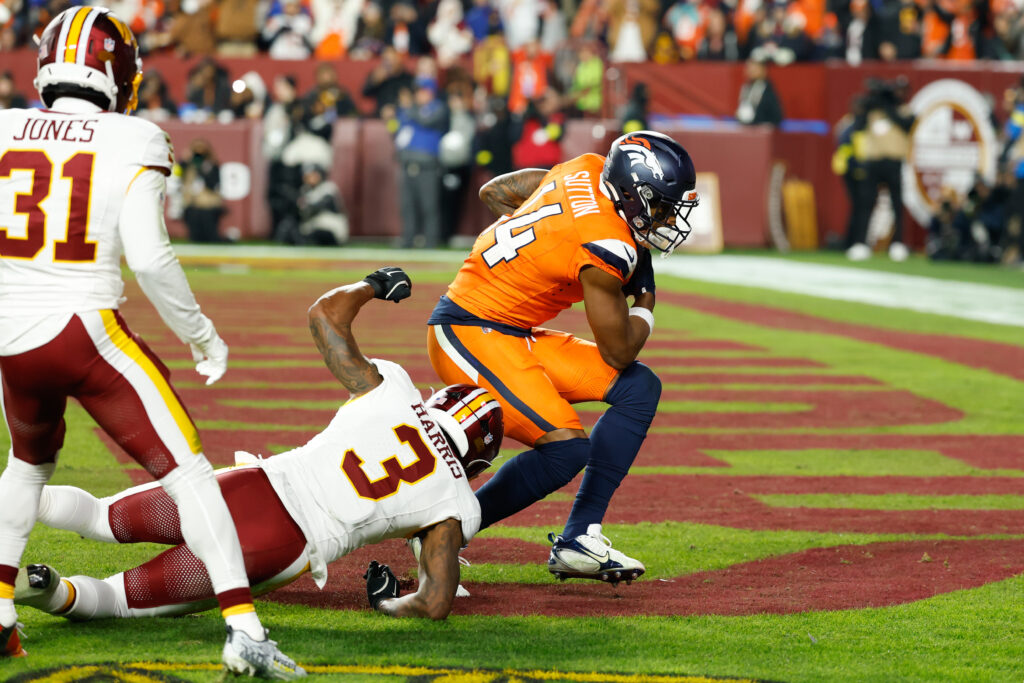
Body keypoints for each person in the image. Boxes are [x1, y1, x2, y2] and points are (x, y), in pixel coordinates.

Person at [0, 7, 301, 677]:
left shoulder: (3, 128)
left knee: (26, 465)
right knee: (190, 472)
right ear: (117, 72)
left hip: (12, 336)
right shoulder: (133, 137)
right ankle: (244, 628)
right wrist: (202, 335)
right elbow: (152, 258)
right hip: (86, 330)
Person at [12, 268, 505, 624]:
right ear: (477, 460)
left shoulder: (393, 388)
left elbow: (325, 317)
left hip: (247, 487)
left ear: (441, 399)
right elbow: (434, 601)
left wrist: (373, 284)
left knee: (101, 517)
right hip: (281, 543)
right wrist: (389, 599)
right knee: (117, 599)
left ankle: (9, 500)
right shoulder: (456, 503)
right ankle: (48, 590)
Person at [426, 131, 699, 584]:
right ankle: (446, 533)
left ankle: (579, 538)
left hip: (513, 330)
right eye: (663, 205)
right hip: (468, 332)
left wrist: (541, 242)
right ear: (633, 195)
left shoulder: (587, 167)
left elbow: (493, 192)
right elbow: (620, 348)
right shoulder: (605, 244)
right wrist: (646, 297)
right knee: (566, 448)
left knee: (639, 388)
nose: (668, 217)